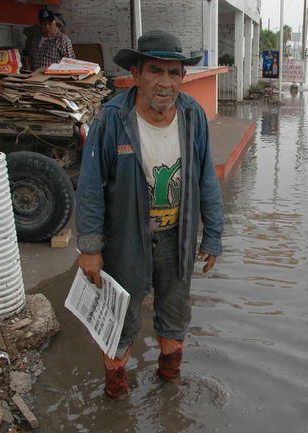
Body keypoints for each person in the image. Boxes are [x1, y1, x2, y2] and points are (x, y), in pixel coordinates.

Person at [75, 30, 224, 400]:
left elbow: (206, 178)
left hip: (177, 238)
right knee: (119, 321)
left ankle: (169, 386)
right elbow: (90, 187)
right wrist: (90, 247)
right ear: (136, 73)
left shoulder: (193, 116)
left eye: (174, 73)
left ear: (183, 77)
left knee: (175, 316)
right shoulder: (112, 119)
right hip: (126, 241)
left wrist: (213, 236)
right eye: (155, 71)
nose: (165, 82)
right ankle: (117, 395)